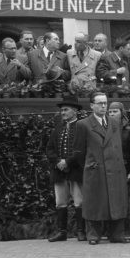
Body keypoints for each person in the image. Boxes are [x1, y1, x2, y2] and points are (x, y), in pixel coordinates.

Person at [72, 92, 130, 245]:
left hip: (116, 169)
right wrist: (90, 165)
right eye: (99, 103)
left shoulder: (114, 122)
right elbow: (78, 151)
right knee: (95, 203)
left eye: (105, 103)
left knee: (117, 201)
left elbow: (118, 146)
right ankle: (93, 235)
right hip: (95, 170)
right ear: (91, 105)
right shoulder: (83, 124)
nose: (103, 106)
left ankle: (117, 234)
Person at [46, 95, 85, 242]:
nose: (62, 113)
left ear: (75, 110)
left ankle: (81, 231)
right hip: (58, 171)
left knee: (79, 201)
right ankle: (62, 232)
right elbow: (49, 149)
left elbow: (81, 150)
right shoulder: (57, 129)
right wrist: (58, 162)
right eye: (61, 110)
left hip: (75, 170)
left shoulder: (82, 127)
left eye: (66, 110)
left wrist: (68, 161)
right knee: (60, 202)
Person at [108, 102, 130, 234]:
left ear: (122, 113)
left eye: (115, 111)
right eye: (110, 112)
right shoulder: (105, 128)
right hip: (112, 170)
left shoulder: (129, 130)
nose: (111, 114)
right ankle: (113, 230)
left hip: (127, 170)